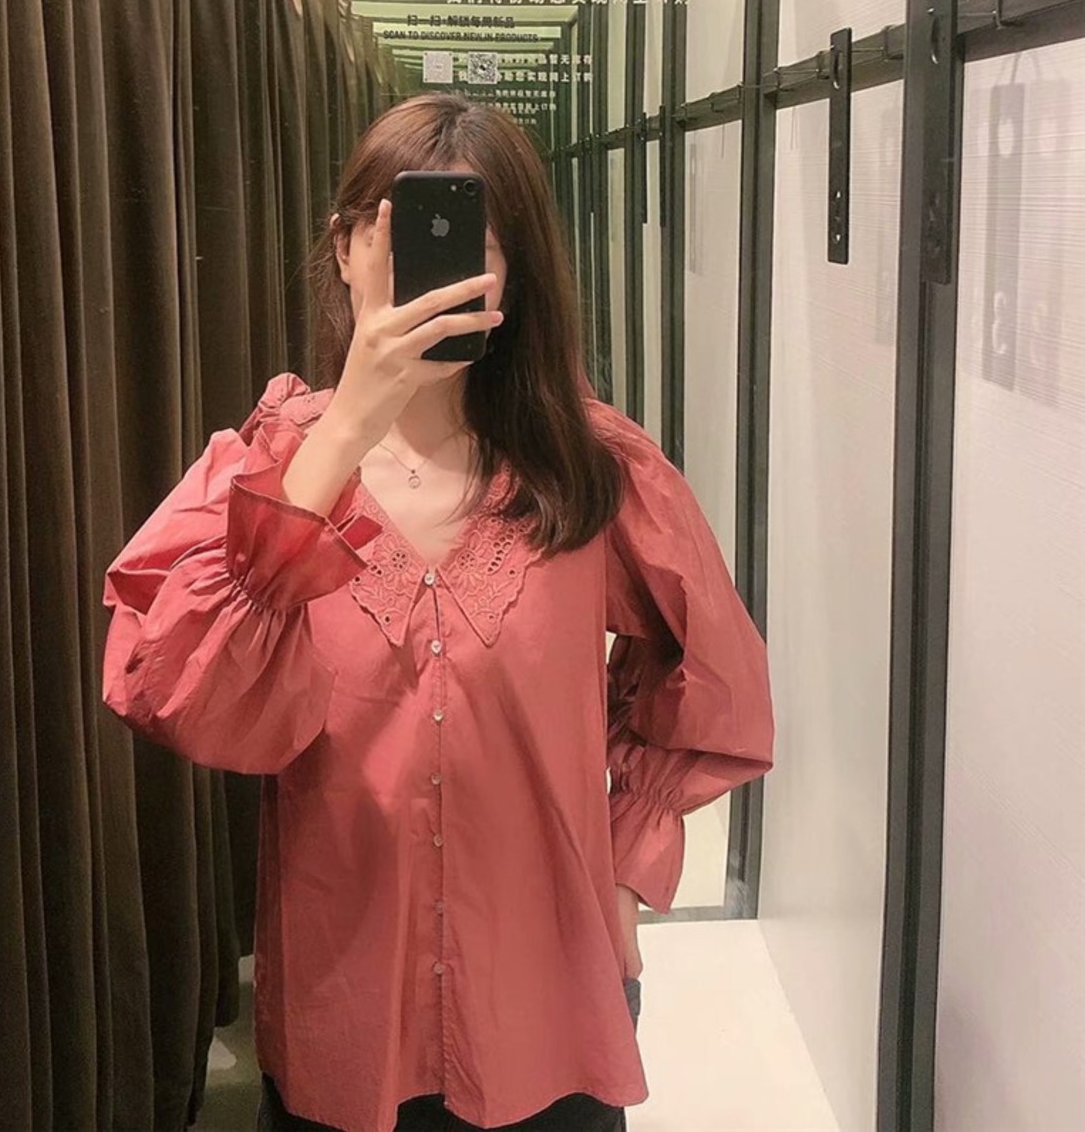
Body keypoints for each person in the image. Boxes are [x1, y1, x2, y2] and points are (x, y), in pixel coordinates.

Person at [101, 93, 775, 1132]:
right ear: (344, 249)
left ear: (516, 274)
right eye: (399, 234)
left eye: (477, 245)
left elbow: (709, 672)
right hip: (345, 1004)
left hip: (549, 999)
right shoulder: (263, 468)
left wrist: (625, 865)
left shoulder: (590, 467)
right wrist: (342, 431)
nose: (440, 271)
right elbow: (178, 689)